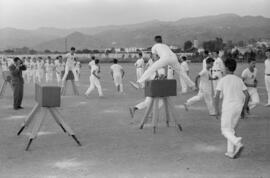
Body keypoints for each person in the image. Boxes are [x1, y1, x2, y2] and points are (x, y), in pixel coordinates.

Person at [215, 59, 249, 159]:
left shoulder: (223, 80)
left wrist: (216, 110)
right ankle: (230, 152)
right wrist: (244, 109)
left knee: (225, 130)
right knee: (231, 130)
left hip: (228, 107)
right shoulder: (239, 80)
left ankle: (237, 143)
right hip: (238, 107)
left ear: (226, 68)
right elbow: (247, 95)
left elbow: (217, 96)